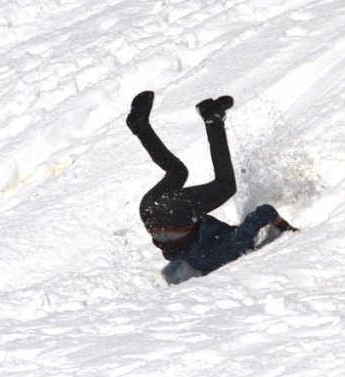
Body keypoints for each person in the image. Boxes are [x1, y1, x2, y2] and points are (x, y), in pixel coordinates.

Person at [126, 90, 298, 274]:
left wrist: (284, 226)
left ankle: (212, 117)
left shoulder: (231, 250)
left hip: (175, 216)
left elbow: (264, 212)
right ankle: (141, 128)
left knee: (226, 185)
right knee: (177, 171)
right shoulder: (207, 259)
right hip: (149, 211)